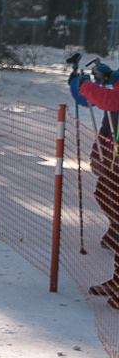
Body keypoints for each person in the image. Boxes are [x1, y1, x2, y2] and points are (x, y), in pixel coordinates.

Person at [69, 62, 119, 301]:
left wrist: (86, 86)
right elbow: (98, 101)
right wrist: (108, 77)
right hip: (113, 156)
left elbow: (110, 101)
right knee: (103, 193)